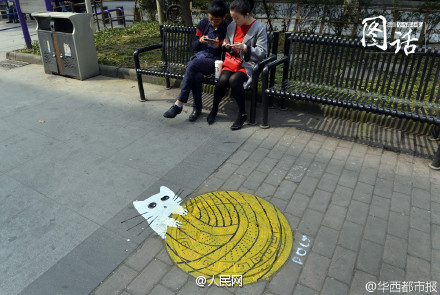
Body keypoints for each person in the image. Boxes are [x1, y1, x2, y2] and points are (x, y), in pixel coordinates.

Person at [163, 0, 229, 122]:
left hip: (213, 61)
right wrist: (200, 41)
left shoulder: (227, 28)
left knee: (192, 65)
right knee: (196, 75)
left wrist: (218, 47)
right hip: (199, 58)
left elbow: (227, 52)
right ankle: (197, 109)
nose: (213, 22)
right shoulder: (204, 23)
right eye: (211, 19)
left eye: (217, 20)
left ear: (224, 16)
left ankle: (179, 104)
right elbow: (193, 45)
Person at [207, 0, 267, 130]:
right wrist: (225, 45)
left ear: (247, 14)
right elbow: (227, 44)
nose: (233, 21)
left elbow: (262, 53)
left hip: (248, 64)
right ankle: (214, 109)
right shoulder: (231, 26)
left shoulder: (259, 27)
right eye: (232, 17)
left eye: (236, 18)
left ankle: (242, 114)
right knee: (222, 79)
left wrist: (245, 48)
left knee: (234, 80)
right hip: (232, 62)